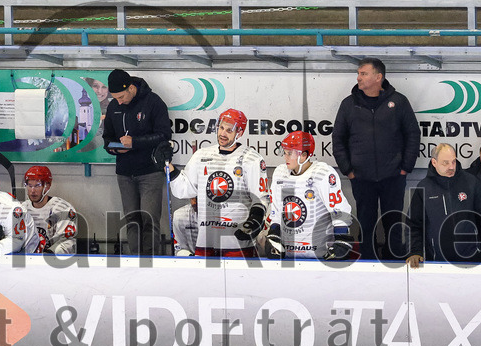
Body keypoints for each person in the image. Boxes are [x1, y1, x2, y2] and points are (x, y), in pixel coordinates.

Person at [332, 57, 420, 261]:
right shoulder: (349, 104)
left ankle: (395, 261)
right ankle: (368, 262)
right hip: (362, 178)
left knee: (394, 222)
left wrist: (405, 167)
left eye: (364, 73)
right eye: (359, 73)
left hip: (393, 176)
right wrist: (348, 170)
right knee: (366, 222)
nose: (358, 77)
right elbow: (338, 138)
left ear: (378, 77)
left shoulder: (398, 102)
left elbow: (412, 134)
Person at [167, 108, 268, 257]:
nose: (222, 134)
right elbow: (185, 189)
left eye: (229, 130)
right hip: (206, 241)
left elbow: (261, 197)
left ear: (239, 133)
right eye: (221, 128)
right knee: (205, 280)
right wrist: (170, 169)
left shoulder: (252, 159)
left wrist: (255, 220)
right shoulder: (201, 155)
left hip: (237, 242)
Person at [102, 68, 171, 256]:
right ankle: (134, 260)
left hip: (150, 171)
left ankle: (150, 261)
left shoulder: (153, 102)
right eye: (115, 98)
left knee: (149, 219)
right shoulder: (114, 106)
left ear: (131, 88)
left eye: (122, 97)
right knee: (131, 220)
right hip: (125, 173)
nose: (119, 101)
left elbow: (165, 135)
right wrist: (113, 147)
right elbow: (107, 138)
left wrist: (135, 142)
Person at [266, 131, 354, 260]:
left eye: (290, 153)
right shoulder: (280, 173)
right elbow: (276, 211)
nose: (285, 157)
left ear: (304, 155)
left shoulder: (322, 173)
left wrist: (342, 239)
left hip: (320, 254)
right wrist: (274, 234)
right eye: (285, 152)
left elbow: (338, 209)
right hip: (289, 255)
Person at [406, 144, 481, 268]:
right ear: (434, 162)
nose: (451, 167)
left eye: (453, 162)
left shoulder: (471, 183)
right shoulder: (424, 187)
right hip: (437, 261)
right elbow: (413, 224)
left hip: (472, 260)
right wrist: (414, 251)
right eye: (445, 163)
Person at [20, 166, 78, 255]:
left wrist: (48, 256)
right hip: (29, 261)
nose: (32, 191)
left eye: (37, 186)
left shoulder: (62, 209)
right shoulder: (22, 208)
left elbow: (66, 242)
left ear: (47, 186)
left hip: (55, 263)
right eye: (29, 185)